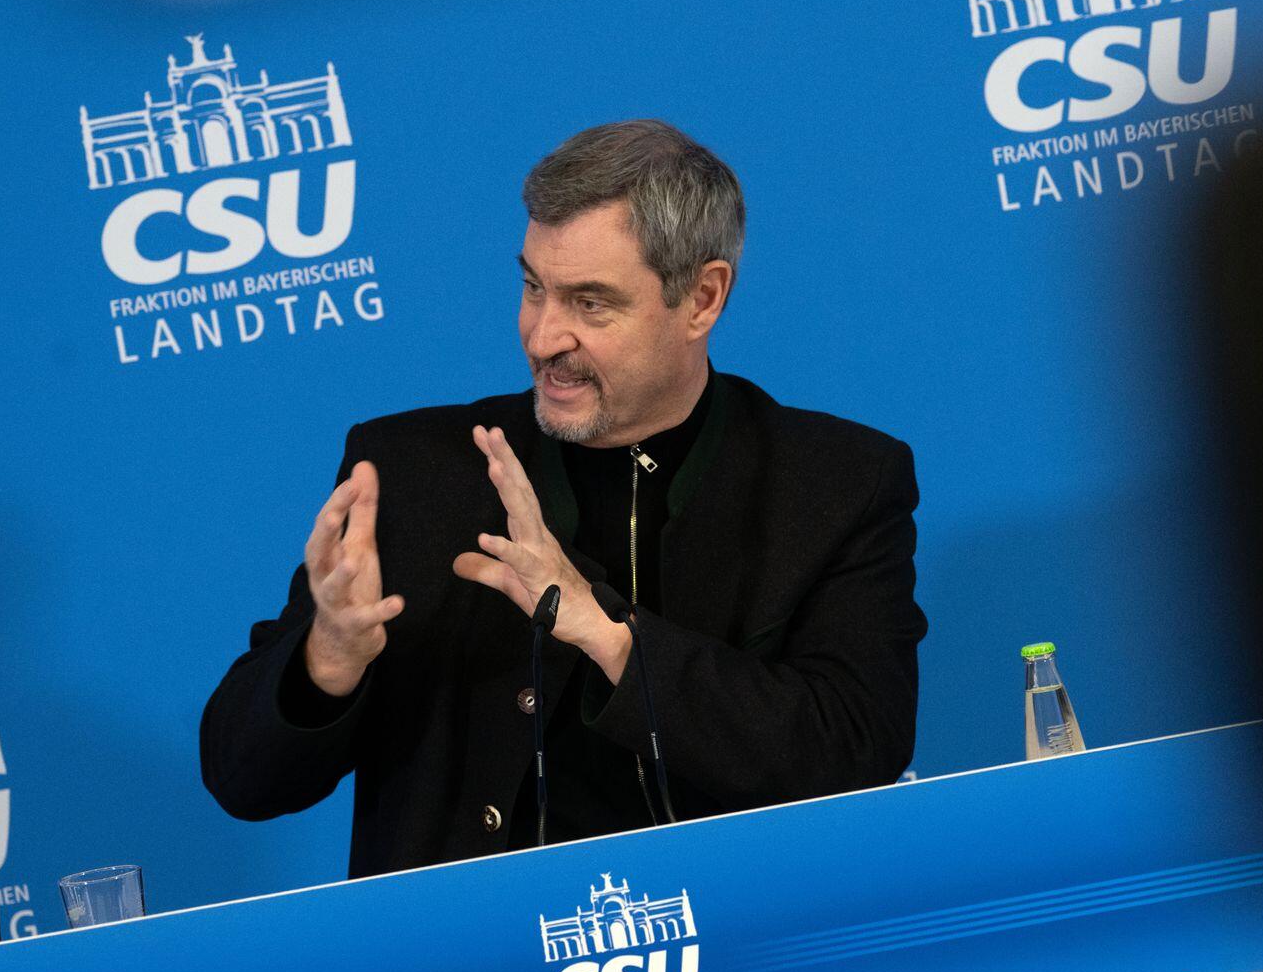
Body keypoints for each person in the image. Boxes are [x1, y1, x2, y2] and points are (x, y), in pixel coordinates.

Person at [200, 119, 927, 879]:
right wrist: (329, 658)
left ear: (702, 298)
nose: (543, 336)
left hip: (740, 927)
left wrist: (608, 636)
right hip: (471, 945)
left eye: (590, 303)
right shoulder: (414, 473)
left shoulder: (836, 482)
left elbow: (856, 752)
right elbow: (243, 780)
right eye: (533, 288)